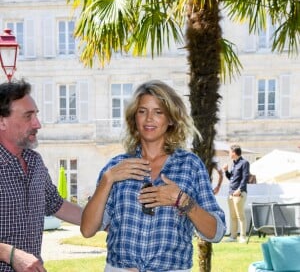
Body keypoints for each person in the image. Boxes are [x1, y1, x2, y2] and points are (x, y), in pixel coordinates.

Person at [81, 80, 226, 272]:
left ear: (171, 119)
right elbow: (87, 230)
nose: (149, 118)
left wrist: (183, 201)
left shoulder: (190, 165)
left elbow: (216, 233)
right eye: (142, 111)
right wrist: (107, 180)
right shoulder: (116, 167)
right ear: (134, 118)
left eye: (158, 112)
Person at [0, 79, 82, 272]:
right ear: (2, 121)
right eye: (28, 116)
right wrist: (9, 254)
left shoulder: (35, 162)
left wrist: (107, 222)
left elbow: (56, 204)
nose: (38, 124)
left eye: (36, 115)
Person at [223, 144, 249, 243]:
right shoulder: (234, 163)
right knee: (232, 216)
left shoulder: (244, 163)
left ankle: (242, 237)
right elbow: (232, 178)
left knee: (240, 215)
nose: (229, 154)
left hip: (239, 193)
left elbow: (245, 177)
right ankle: (233, 237)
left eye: (229, 152)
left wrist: (240, 189)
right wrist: (226, 171)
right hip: (231, 193)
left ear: (234, 152)